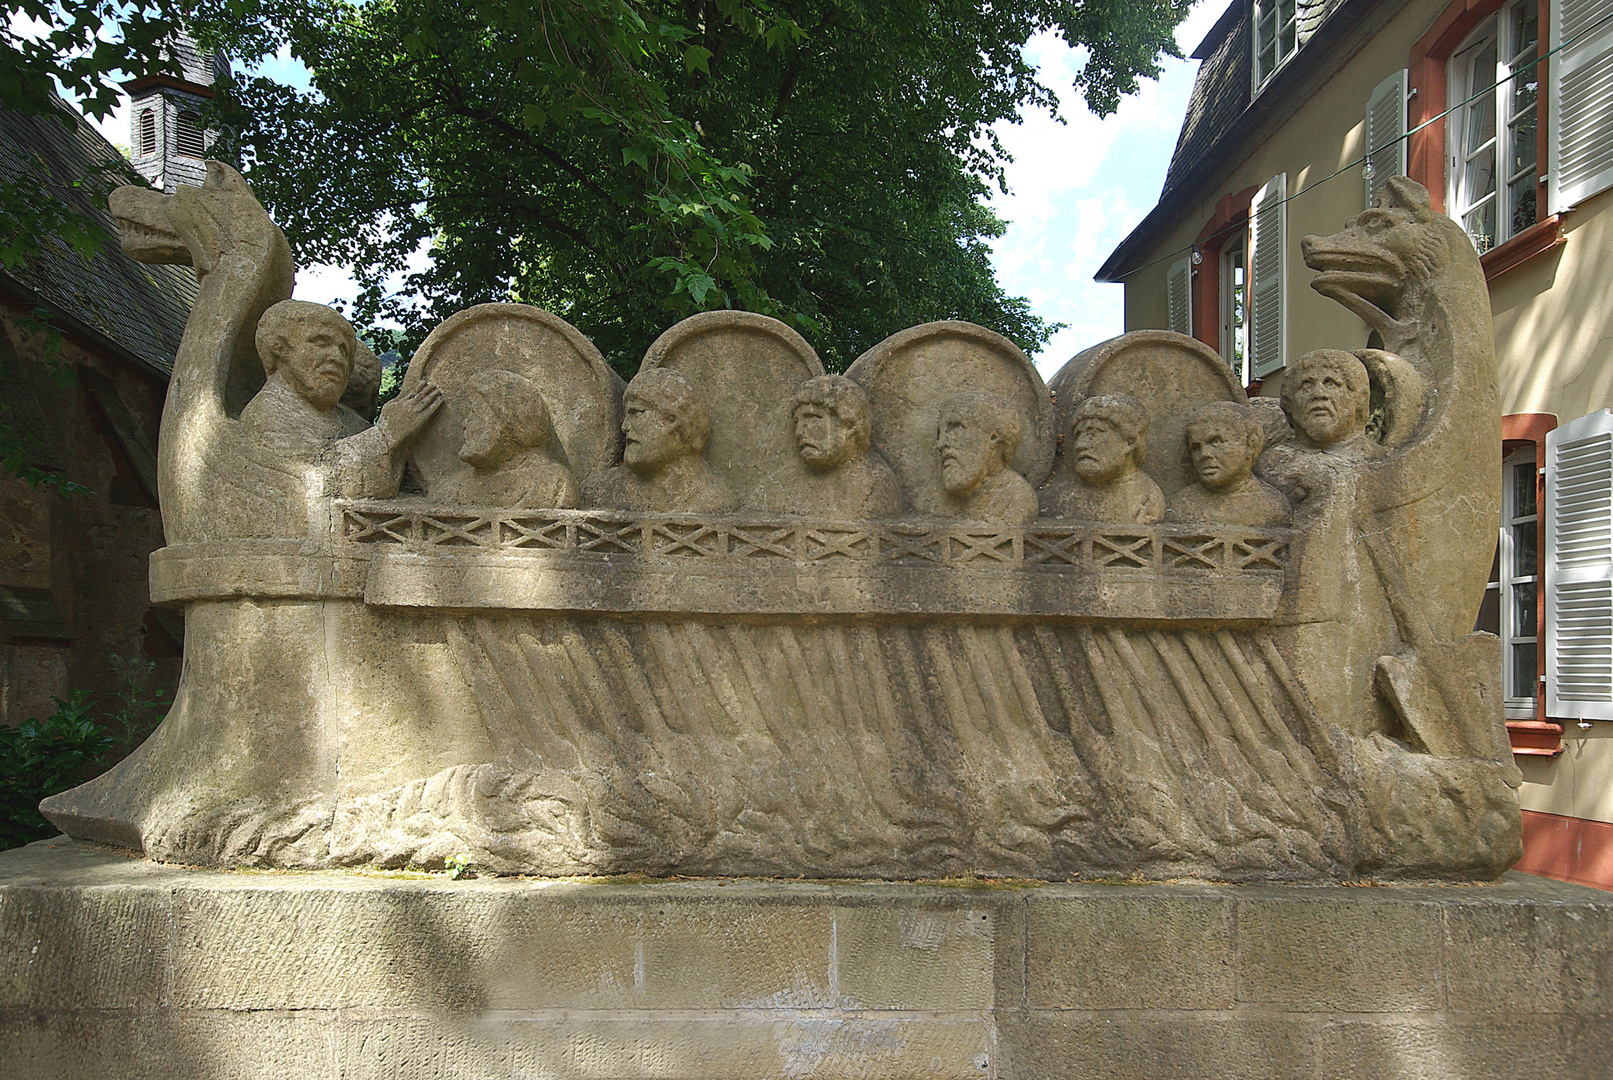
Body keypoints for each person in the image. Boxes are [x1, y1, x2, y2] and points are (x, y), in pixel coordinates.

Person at [239, 300, 440, 524]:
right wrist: (386, 436)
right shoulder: (267, 414)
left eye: (343, 350)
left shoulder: (351, 421)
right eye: (320, 342)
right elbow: (312, 484)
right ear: (280, 347)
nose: (337, 358)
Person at [584, 367, 738, 513]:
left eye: (637, 412)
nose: (624, 426)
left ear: (675, 421)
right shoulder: (599, 491)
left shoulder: (712, 501)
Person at [431, 370, 579, 509]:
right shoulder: (453, 488)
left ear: (508, 422)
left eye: (474, 413)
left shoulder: (553, 484)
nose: (465, 423)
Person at [789, 375, 904, 518]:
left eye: (812, 418)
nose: (799, 432)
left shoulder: (877, 484)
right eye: (797, 422)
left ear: (850, 424)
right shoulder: (791, 484)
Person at [1040, 393, 1164, 524]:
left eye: (1094, 433)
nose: (1080, 445)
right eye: (1078, 434)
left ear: (1129, 442)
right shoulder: (1055, 500)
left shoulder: (1147, 502)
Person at [1169, 401, 1290, 527]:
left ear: (1250, 445)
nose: (1204, 454)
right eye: (1195, 447)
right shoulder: (1181, 507)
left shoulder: (1274, 507)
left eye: (1216, 442)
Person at [933, 391, 1038, 523]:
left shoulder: (1017, 500)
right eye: (940, 433)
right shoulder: (932, 503)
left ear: (994, 436)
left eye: (956, 428)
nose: (941, 443)